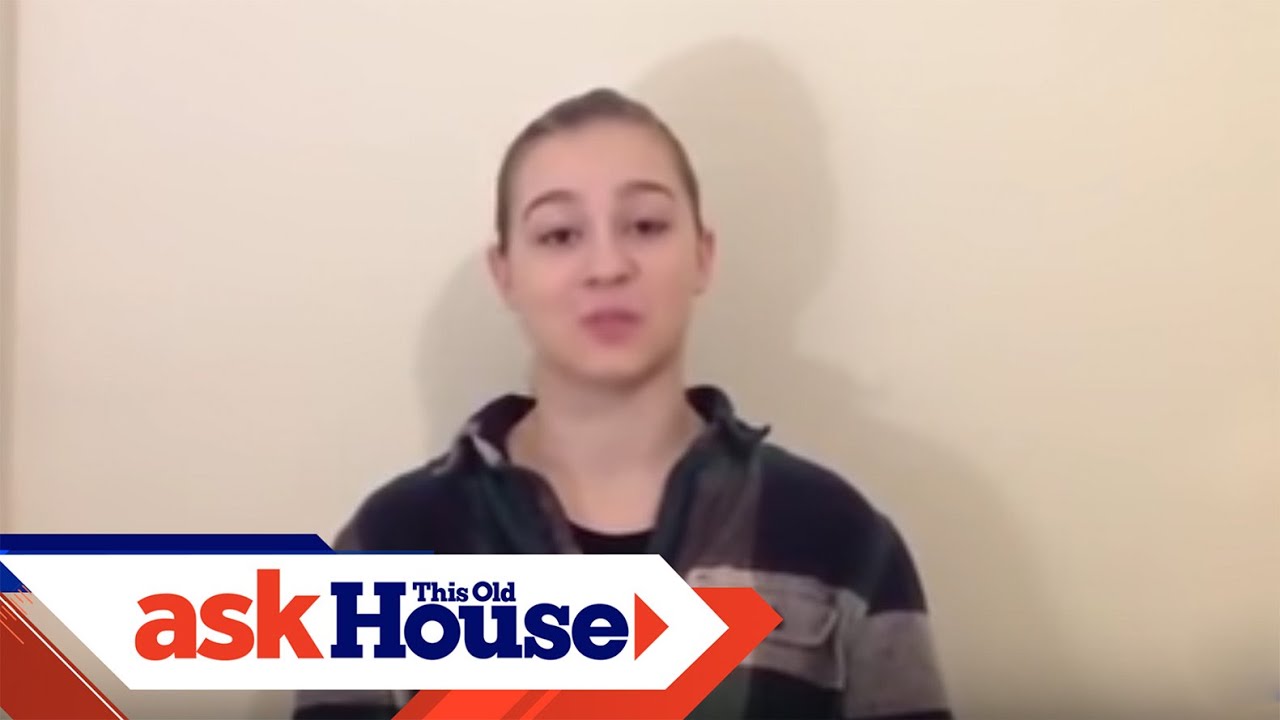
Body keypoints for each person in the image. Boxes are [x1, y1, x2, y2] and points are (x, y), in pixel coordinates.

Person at [293, 88, 952, 720]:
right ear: (506, 275)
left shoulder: (840, 541)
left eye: (645, 225)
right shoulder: (386, 548)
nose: (607, 266)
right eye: (560, 235)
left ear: (702, 255)